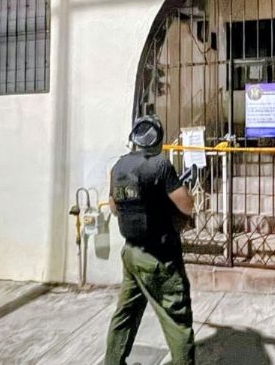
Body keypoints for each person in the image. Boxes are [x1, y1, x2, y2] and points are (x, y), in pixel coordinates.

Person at [105, 115, 196, 365]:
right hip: (160, 258)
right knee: (177, 321)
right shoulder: (160, 166)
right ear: (158, 138)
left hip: (131, 254)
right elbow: (186, 206)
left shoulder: (119, 167)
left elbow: (114, 207)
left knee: (126, 313)